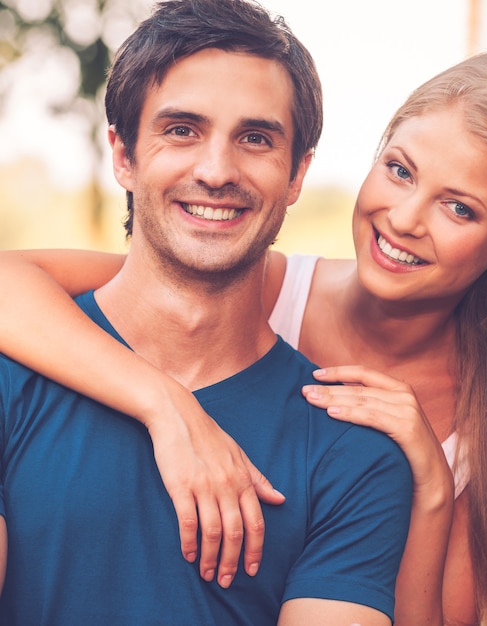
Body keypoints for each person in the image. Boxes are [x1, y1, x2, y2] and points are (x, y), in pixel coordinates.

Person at [0, 51, 487, 625]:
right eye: (400, 171)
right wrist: (167, 405)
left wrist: (431, 489)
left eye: (459, 209)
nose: (404, 219)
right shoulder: (254, 284)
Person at [0, 0, 416, 624]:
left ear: (298, 174)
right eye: (181, 130)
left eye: (255, 139)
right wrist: (164, 403)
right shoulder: (12, 372)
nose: (217, 171)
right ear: (123, 155)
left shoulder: (351, 455)